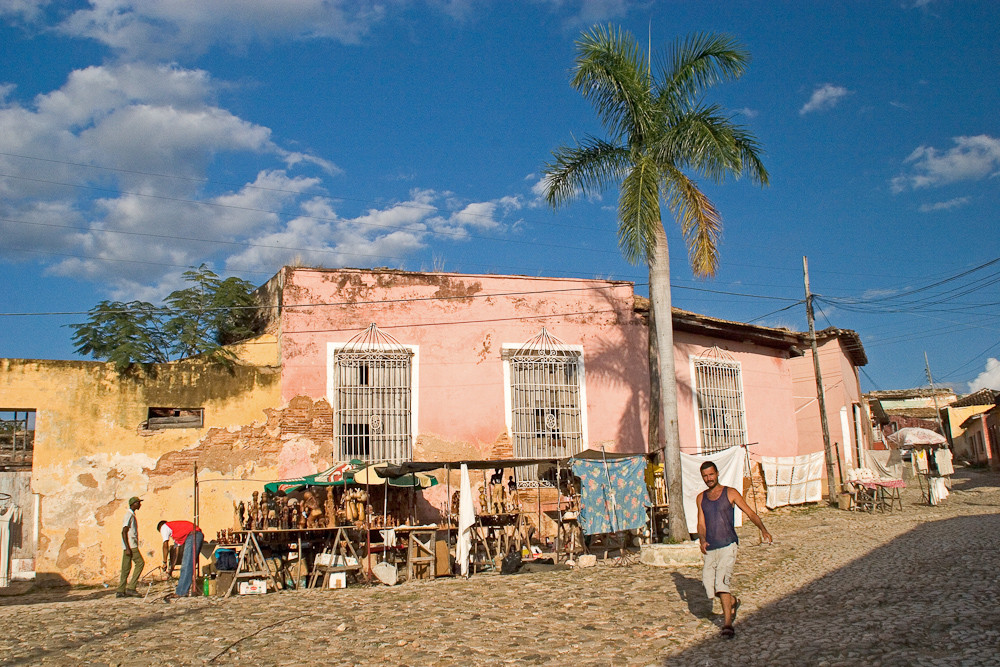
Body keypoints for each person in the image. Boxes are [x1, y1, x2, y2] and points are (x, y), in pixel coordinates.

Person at [696, 460, 772, 639]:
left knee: (722, 583)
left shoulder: (730, 493)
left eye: (711, 474)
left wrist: (763, 529)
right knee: (709, 585)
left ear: (717, 473)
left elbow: (750, 512)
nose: (709, 478)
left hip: (728, 544)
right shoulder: (701, 498)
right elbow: (701, 523)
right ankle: (732, 601)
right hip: (711, 547)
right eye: (705, 476)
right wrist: (702, 539)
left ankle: (727, 624)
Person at [157, 519, 204, 597]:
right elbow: (176, 554)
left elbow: (165, 546)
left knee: (187, 564)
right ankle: (183, 590)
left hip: (193, 535)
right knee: (187, 564)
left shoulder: (164, 527)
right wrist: (171, 570)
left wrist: (164, 562)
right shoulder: (177, 535)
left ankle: (181, 592)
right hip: (195, 535)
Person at [116, 496, 144, 598]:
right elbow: (124, 531)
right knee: (140, 563)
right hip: (131, 545)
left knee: (125, 568)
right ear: (133, 504)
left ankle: (120, 590)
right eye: (138, 503)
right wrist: (128, 548)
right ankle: (131, 587)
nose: (140, 504)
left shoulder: (131, 515)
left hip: (128, 546)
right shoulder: (129, 515)